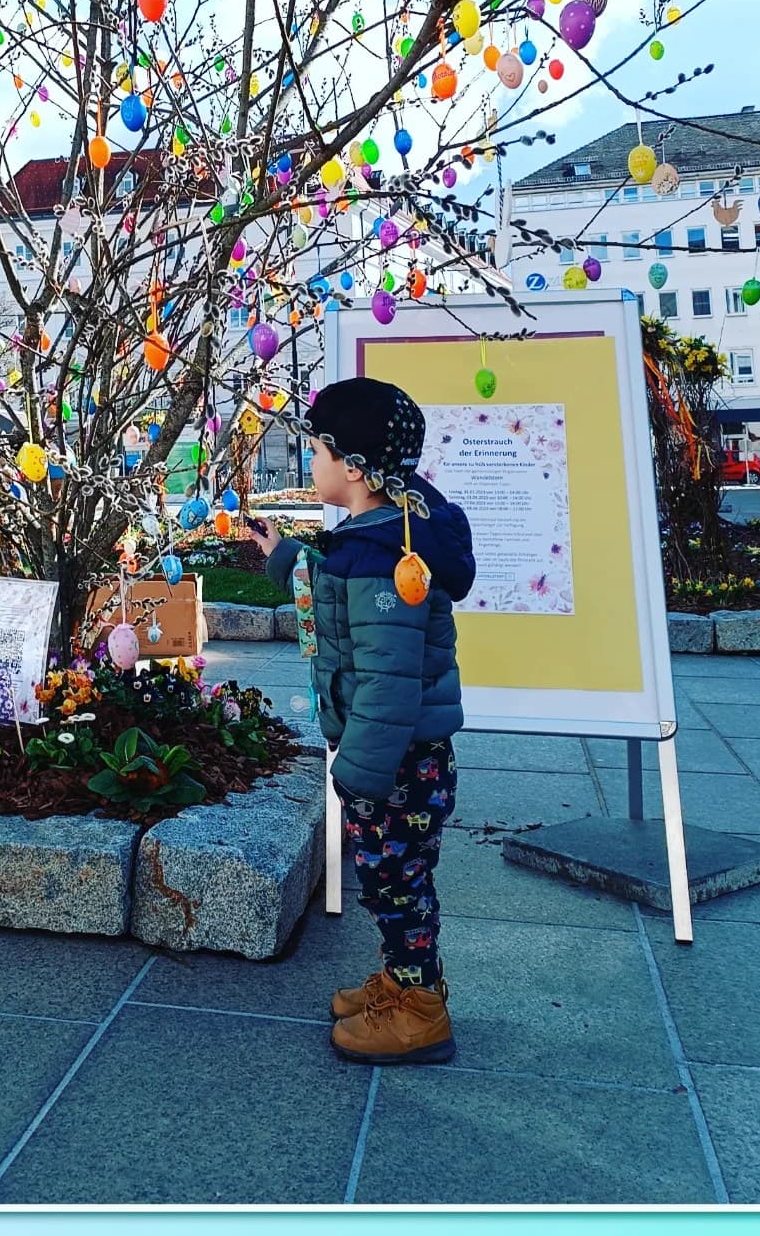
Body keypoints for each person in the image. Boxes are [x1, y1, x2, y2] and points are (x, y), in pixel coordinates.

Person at [251, 377, 474, 1066]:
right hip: (395, 758)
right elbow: (332, 586)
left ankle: (420, 1009)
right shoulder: (381, 535)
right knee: (391, 879)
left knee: (398, 881)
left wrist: (358, 772)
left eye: (315, 449)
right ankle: (400, 981)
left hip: (394, 764)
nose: (308, 462)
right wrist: (284, 557)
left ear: (353, 468)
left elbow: (388, 681)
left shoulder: (386, 561)